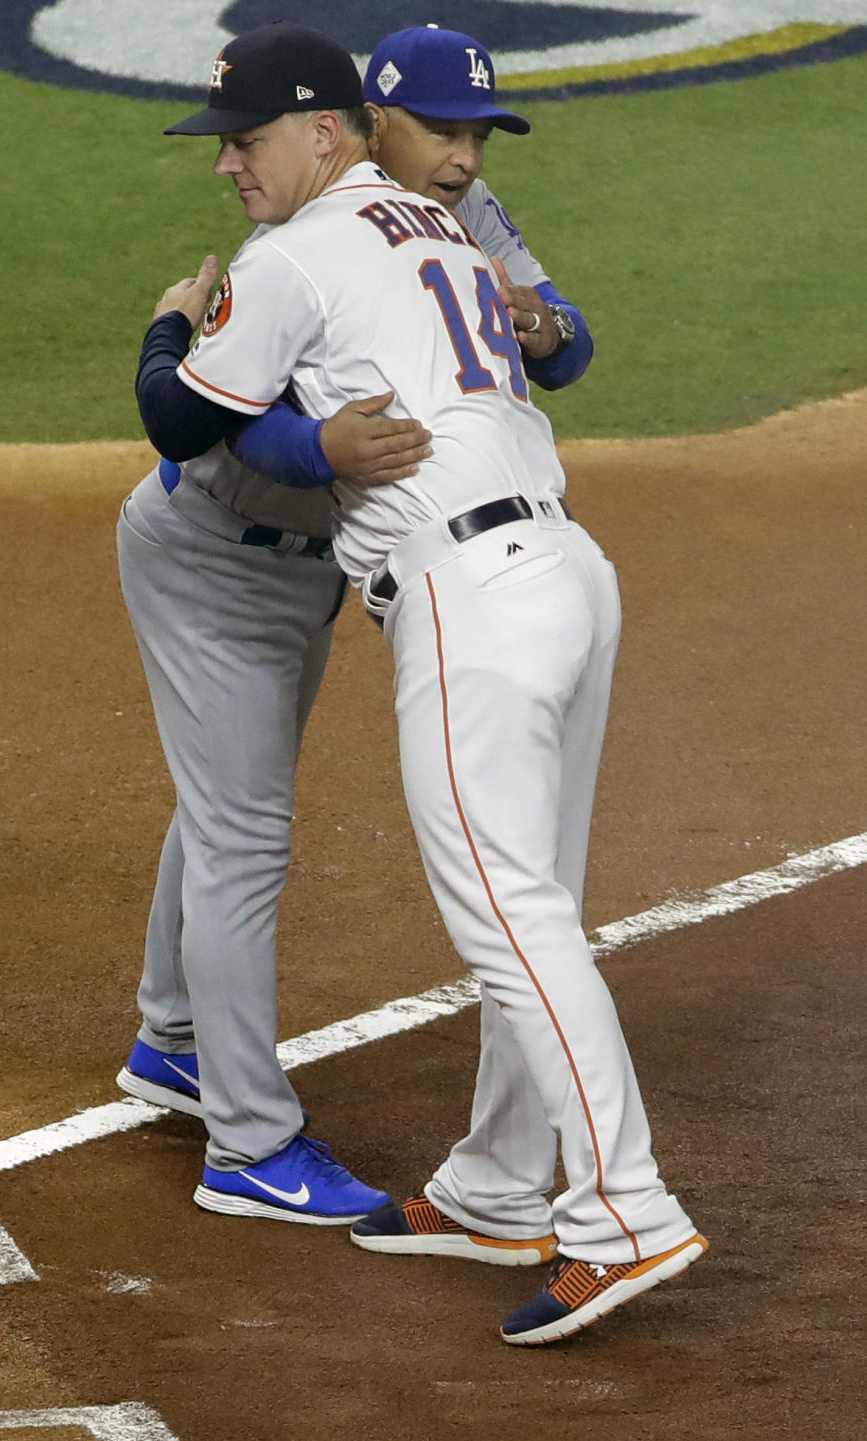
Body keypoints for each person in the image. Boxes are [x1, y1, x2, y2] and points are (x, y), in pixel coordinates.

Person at [137, 22, 707, 1344]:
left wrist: (169, 331)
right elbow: (538, 350)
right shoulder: (450, 232)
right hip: (570, 564)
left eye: (248, 141)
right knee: (539, 896)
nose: (230, 167)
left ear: (326, 131)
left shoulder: (298, 251)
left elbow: (183, 422)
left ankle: (622, 1207)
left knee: (509, 912)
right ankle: (502, 1183)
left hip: (470, 596)